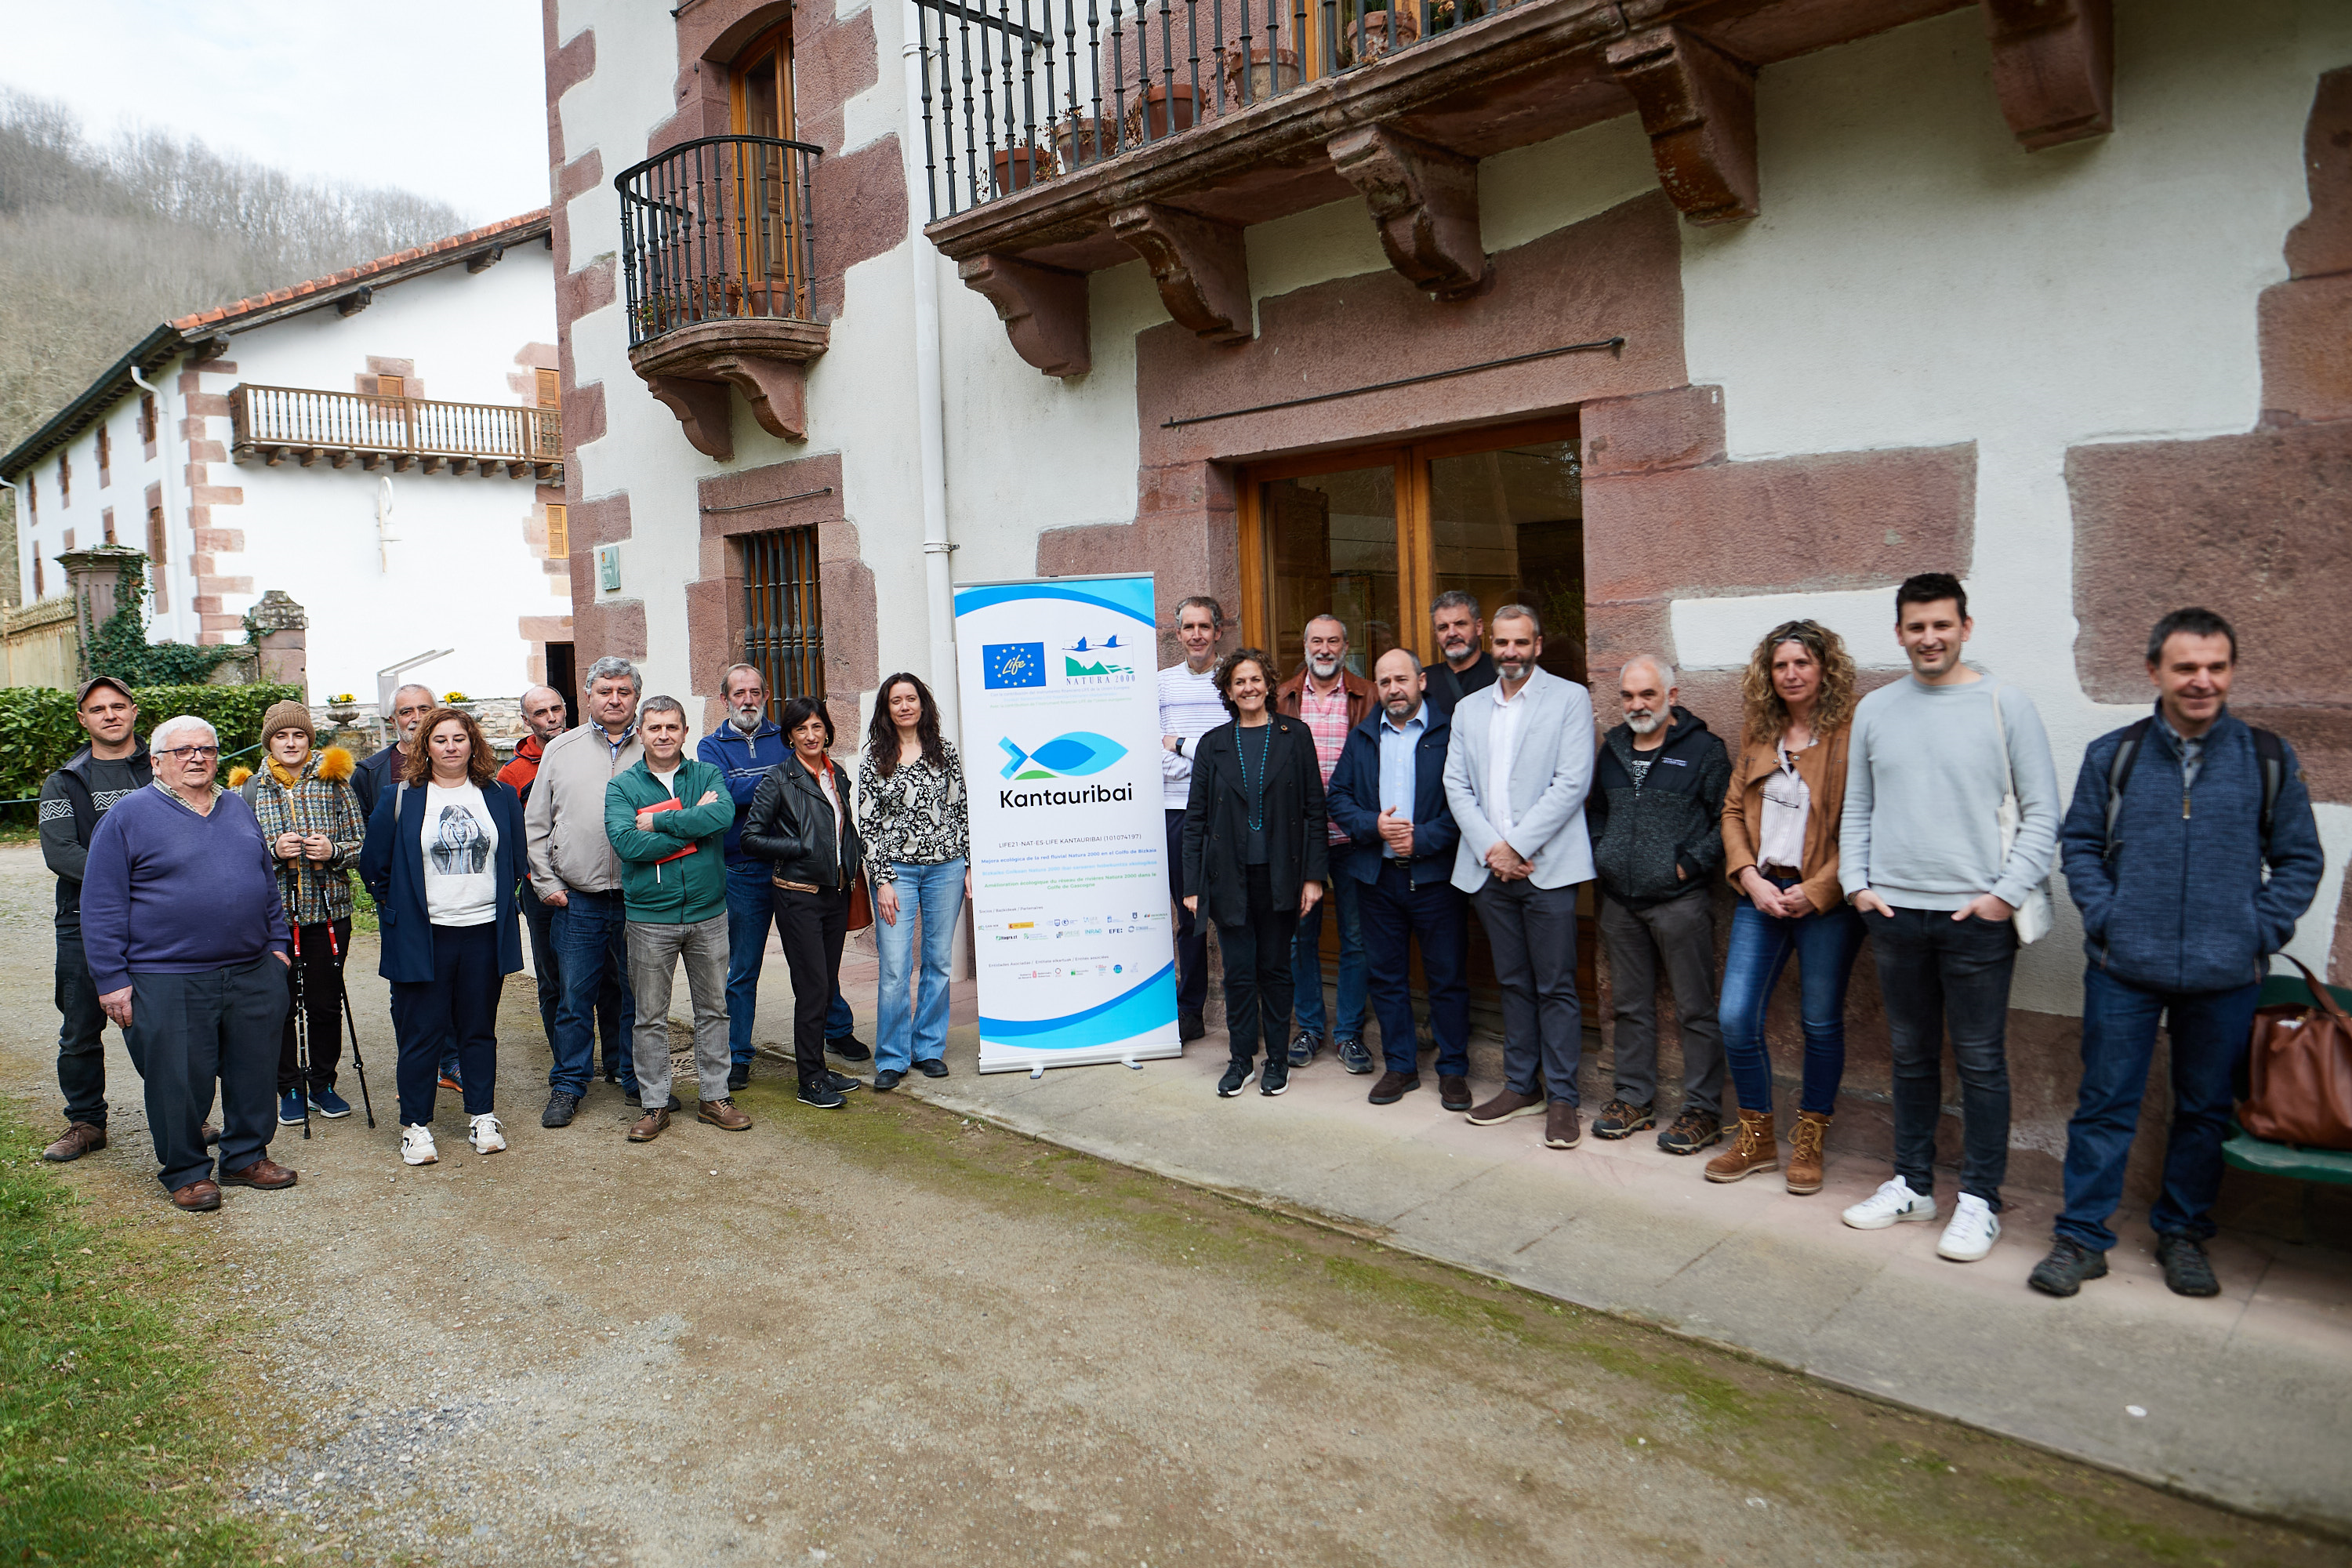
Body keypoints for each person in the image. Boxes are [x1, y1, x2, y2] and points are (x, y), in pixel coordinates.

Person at [2031, 608, 2324, 1301]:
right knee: (2105, 1104)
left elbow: (2299, 860)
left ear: (2230, 672)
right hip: (2124, 968)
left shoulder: (2267, 758)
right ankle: (2082, 1238)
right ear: (2154, 671)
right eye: (2186, 667)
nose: (2202, 681)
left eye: (2216, 667)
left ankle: (2183, 1235)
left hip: (2227, 974)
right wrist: (2109, 919)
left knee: (2202, 1108)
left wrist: (2258, 931)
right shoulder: (2116, 754)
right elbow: (2079, 845)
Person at [1839, 572, 2060, 1264]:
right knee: (1908, 1057)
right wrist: (1856, 886)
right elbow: (1859, 808)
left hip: (1977, 919)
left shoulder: (2005, 704)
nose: (1928, 637)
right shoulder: (1876, 709)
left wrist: (2004, 895)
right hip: (1896, 914)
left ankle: (1980, 1201)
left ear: (1966, 627)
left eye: (1941, 624)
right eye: (1915, 626)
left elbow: (2044, 813)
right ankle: (1912, 1185)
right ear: (1899, 632)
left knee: (1982, 1061)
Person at [82, 715, 296, 1211]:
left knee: (253, 1070)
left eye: (207, 748)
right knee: (178, 1078)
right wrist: (111, 980)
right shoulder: (128, 815)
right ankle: (186, 1171)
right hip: (166, 976)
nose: (197, 757)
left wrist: (278, 947)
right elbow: (102, 903)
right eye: (182, 751)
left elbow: (266, 886)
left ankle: (245, 1156)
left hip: (251, 970)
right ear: (156, 762)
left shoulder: (238, 809)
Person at [1706, 620, 1868, 1195]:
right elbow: (1731, 812)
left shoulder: (1851, 735)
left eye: (1802, 663)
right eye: (1780, 665)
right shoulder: (1760, 732)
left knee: (1820, 1021)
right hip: (1762, 893)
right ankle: (1754, 1138)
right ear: (1767, 674)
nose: (1791, 674)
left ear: (1825, 668)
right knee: (1734, 1016)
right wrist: (1749, 877)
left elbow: (1867, 823)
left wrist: (1820, 889)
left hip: (1826, 902)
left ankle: (1810, 1138)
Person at [1442, 605, 1597, 1149]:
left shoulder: (1570, 699)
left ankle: (1562, 1098)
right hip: (1489, 872)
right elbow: (1456, 786)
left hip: (1549, 869)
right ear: (1493, 642)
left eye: (1521, 643)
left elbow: (1573, 782)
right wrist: (1493, 850)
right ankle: (1519, 1085)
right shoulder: (1468, 709)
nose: (1510, 652)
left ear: (1538, 643)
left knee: (1555, 985)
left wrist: (1518, 847)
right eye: (1503, 643)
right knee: (1512, 982)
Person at [362, 706, 525, 1164]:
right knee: (422, 1034)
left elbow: (513, 857)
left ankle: (482, 1115)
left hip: (482, 932)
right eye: (440, 739)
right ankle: (416, 1127)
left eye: (460, 738)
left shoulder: (499, 796)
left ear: (473, 743)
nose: (451, 747)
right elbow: (374, 866)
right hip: (425, 935)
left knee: (478, 1030)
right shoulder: (401, 798)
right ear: (424, 747)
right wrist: (406, 910)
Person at [1585, 655, 1731, 1154]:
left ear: (1672, 696)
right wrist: (1604, 853)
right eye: (1627, 696)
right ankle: (1632, 1098)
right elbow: (1597, 813)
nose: (1636, 705)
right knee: (1628, 1008)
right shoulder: (1613, 750)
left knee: (1695, 1010)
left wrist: (1689, 865)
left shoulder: (1705, 751)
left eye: (1647, 695)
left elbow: (1727, 819)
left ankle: (1703, 1111)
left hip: (1679, 902)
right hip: (1621, 903)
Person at [700, 662, 869, 1092]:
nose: (748, 700)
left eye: (755, 692)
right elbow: (724, 796)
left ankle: (836, 1030)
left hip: (804, 875)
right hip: (745, 869)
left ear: (766, 695)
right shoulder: (712, 745)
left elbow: (781, 786)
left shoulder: (786, 735)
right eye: (739, 693)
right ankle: (738, 1055)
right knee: (744, 967)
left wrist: (768, 785)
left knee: (816, 969)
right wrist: (779, 784)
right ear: (725, 699)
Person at [1181, 648, 1327, 1099]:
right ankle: (1242, 1059)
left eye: (1256, 680)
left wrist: (1313, 877)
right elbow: (1196, 820)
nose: (1249, 688)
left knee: (1276, 970)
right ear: (1228, 690)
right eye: (1239, 682)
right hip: (1228, 880)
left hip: (1282, 876)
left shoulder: (1294, 736)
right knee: (1239, 973)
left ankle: (1277, 1060)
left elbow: (1314, 811)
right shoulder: (1213, 744)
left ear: (1269, 685)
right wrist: (1192, 886)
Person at [1327, 648, 1470, 1109]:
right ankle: (1402, 1067)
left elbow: (1468, 803)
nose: (1394, 689)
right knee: (1386, 978)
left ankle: (1452, 1071)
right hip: (1377, 878)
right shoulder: (1365, 735)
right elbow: (1339, 797)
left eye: (1401, 679)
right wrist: (1374, 826)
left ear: (1421, 681)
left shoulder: (1449, 732)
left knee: (1446, 978)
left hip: (1435, 879)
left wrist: (1423, 839)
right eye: (1385, 681)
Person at [606, 696, 745, 1142]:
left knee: (714, 1010)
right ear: (640, 734)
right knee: (649, 1015)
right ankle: (654, 1104)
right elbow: (627, 845)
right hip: (650, 918)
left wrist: (659, 822)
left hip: (709, 913)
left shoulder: (706, 773)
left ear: (685, 732)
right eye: (654, 728)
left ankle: (714, 1097)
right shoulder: (623, 786)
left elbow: (722, 815)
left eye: (671, 727)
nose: (663, 735)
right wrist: (691, 828)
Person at [36, 676, 152, 1163]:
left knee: (159, 1023)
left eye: (118, 705)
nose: (110, 714)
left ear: (133, 712)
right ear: (83, 719)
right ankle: (86, 1122)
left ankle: (184, 1112)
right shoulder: (64, 781)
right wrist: (138, 877)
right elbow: (61, 852)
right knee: (81, 1027)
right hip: (83, 919)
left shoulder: (163, 767)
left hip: (156, 921)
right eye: (98, 708)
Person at [528, 656, 647, 1127]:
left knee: (639, 996)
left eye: (623, 691)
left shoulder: (657, 746)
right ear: (589, 696)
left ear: (635, 696)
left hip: (641, 898)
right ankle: (569, 1084)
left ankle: (638, 1078)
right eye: (604, 691)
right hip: (579, 898)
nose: (614, 700)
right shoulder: (562, 748)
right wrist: (547, 882)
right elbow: (536, 823)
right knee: (574, 998)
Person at [234, 701, 365, 1126]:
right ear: (268, 741)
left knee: (326, 1003)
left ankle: (323, 1083)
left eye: (299, 735)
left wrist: (334, 852)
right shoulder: (247, 791)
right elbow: (234, 858)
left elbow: (361, 846)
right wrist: (273, 853)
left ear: (310, 740)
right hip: (272, 919)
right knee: (279, 1005)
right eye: (281, 736)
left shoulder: (335, 783)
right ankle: (288, 1085)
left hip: (328, 912)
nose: (291, 743)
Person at [741, 697, 871, 1109]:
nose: (811, 735)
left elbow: (843, 828)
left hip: (835, 893)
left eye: (817, 727)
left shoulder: (838, 776)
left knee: (825, 983)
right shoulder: (777, 779)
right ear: (790, 736)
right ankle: (809, 1080)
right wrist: (800, 846)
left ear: (827, 730)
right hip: (798, 895)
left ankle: (816, 1066)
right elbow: (751, 837)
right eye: (802, 729)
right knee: (812, 987)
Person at [858, 673, 970, 1091]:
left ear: (923, 704)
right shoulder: (874, 759)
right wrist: (881, 880)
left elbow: (960, 810)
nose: (904, 706)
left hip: (945, 867)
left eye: (911, 698)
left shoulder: (944, 752)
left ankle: (928, 1049)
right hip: (897, 873)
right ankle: (892, 1056)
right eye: (896, 700)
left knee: (939, 961)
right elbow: (867, 824)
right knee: (894, 967)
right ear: (886, 710)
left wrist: (969, 865)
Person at [1275, 615, 1374, 1071]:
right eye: (1317, 640)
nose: (1325, 648)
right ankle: (1311, 1027)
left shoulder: (1368, 695)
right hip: (1299, 840)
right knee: (1300, 939)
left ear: (1346, 645)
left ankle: (1350, 1033)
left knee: (1356, 939)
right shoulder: (1283, 698)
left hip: (1354, 836)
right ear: (1305, 643)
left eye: (1334, 641)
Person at [354, 681, 462, 1093]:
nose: (414, 718)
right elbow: (371, 842)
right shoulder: (372, 772)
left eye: (423, 709)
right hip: (401, 899)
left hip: (452, 896)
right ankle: (418, 1060)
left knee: (454, 980)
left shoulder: (459, 763)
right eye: (405, 712)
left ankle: (451, 1061)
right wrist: (387, 895)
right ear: (392, 719)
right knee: (410, 984)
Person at [1159, 595, 1230, 1042]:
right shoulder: (1161, 685)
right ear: (1179, 633)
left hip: (1228, 811)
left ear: (1218, 632)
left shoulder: (1234, 681)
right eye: (1189, 627)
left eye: (1205, 626)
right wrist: (1207, 756)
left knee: (1237, 914)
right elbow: (1153, 750)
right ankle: (1191, 1013)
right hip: (1175, 810)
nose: (1197, 635)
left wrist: (1183, 746)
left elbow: (1231, 753)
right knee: (1188, 917)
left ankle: (1247, 1011)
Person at [497, 684, 571, 1046]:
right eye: (541, 713)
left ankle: (619, 1062)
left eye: (556, 709)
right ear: (527, 721)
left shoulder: (587, 753)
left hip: (590, 881)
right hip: (538, 884)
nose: (551, 717)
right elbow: (511, 836)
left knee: (609, 973)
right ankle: (565, 1056)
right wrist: (534, 878)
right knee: (551, 973)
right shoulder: (512, 774)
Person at [1424, 590, 1498, 715]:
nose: (1452, 633)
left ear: (1478, 627)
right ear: (1436, 635)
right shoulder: (1423, 681)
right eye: (1443, 627)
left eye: (1460, 624)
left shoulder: (1501, 675)